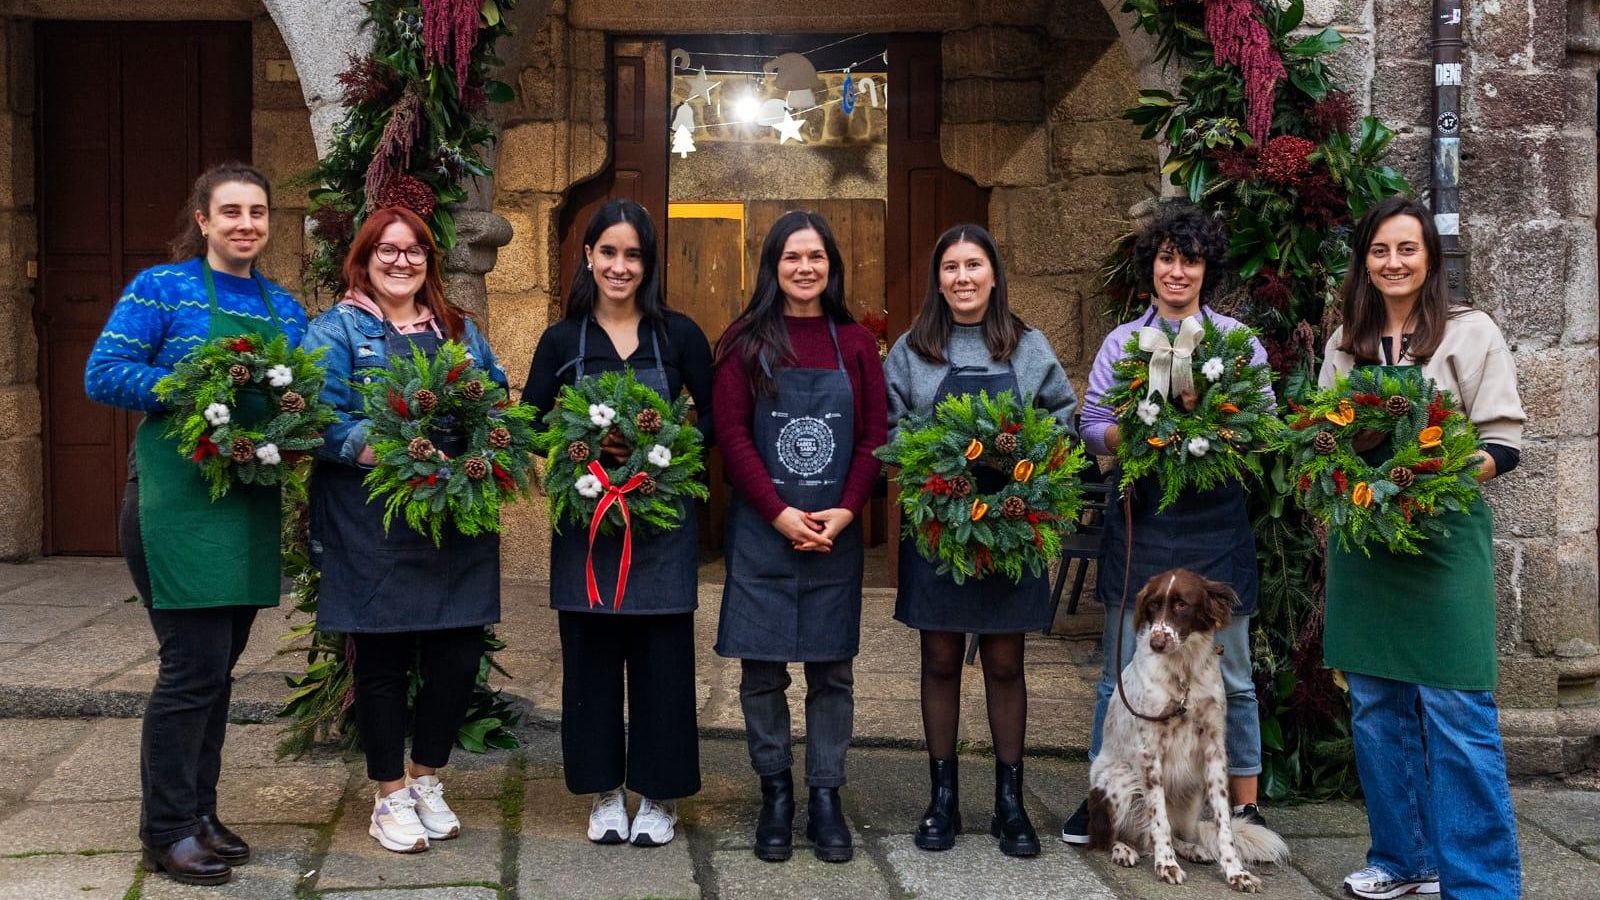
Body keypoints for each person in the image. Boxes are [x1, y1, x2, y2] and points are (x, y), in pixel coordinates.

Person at [85, 162, 308, 886]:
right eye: (232, 212)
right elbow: (105, 371)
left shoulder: (284, 306)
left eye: (259, 212)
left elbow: (304, 396)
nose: (247, 224)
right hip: (175, 500)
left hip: (245, 502)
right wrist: (196, 388)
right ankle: (166, 828)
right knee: (191, 667)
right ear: (204, 220)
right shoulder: (162, 288)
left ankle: (199, 815)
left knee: (217, 670)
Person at [1320, 196, 1524, 900]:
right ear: (1364, 262)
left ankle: (1483, 883)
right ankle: (1405, 860)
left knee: (1458, 711)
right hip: (1365, 546)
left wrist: (1429, 484)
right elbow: (1326, 435)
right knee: (1375, 705)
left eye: (1406, 249)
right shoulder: (1346, 339)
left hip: (1441, 543)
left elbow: (1503, 442)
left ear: (1430, 258)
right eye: (1379, 251)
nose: (1393, 262)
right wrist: (1341, 477)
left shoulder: (1470, 334)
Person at [301, 206, 507, 855]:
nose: (401, 260)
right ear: (363, 258)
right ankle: (389, 795)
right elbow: (312, 414)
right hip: (371, 518)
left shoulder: (457, 330)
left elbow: (494, 396)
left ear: (428, 260)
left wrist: (480, 449)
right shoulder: (336, 331)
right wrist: (381, 451)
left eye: (414, 249)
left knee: (457, 654)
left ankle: (425, 778)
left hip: (454, 516)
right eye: (387, 250)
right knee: (384, 658)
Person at [1062, 203, 1268, 844]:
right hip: (1142, 521)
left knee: (1230, 669)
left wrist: (1214, 427)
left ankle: (1244, 803)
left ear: (1208, 271)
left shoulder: (1238, 344)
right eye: (1167, 258)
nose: (1177, 271)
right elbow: (1091, 420)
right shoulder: (1122, 344)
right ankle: (1103, 796)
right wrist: (1125, 434)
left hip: (1215, 525)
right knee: (1120, 670)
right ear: (1151, 267)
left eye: (1191, 260)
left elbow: (1261, 426)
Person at [523, 199, 714, 848]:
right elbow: (531, 421)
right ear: (588, 257)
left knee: (662, 664)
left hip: (661, 527)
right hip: (588, 527)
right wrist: (580, 445)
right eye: (609, 252)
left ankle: (659, 796)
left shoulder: (680, 337)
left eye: (633, 254)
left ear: (648, 263)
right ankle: (604, 792)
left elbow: (712, 420)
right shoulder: (561, 340)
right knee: (591, 663)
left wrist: (658, 454)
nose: (620, 266)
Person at [884, 224, 1078, 857]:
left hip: (1013, 532)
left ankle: (1010, 803)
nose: (962, 277)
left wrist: (1027, 462)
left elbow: (1063, 422)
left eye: (974, 265)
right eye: (950, 267)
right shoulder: (912, 352)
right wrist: (933, 471)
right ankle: (942, 801)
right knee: (939, 661)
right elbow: (892, 433)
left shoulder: (1028, 348)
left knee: (1004, 663)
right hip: (939, 532)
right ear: (937, 279)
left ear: (994, 275)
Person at [712, 210, 888, 864]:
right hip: (764, 532)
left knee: (831, 673)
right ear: (773, 266)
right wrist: (780, 513)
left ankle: (825, 795)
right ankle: (775, 792)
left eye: (816, 257)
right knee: (762, 674)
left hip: (834, 534)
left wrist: (845, 513)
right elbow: (731, 437)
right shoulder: (742, 342)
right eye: (792, 257)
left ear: (832, 266)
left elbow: (874, 437)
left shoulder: (857, 344)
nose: (805, 268)